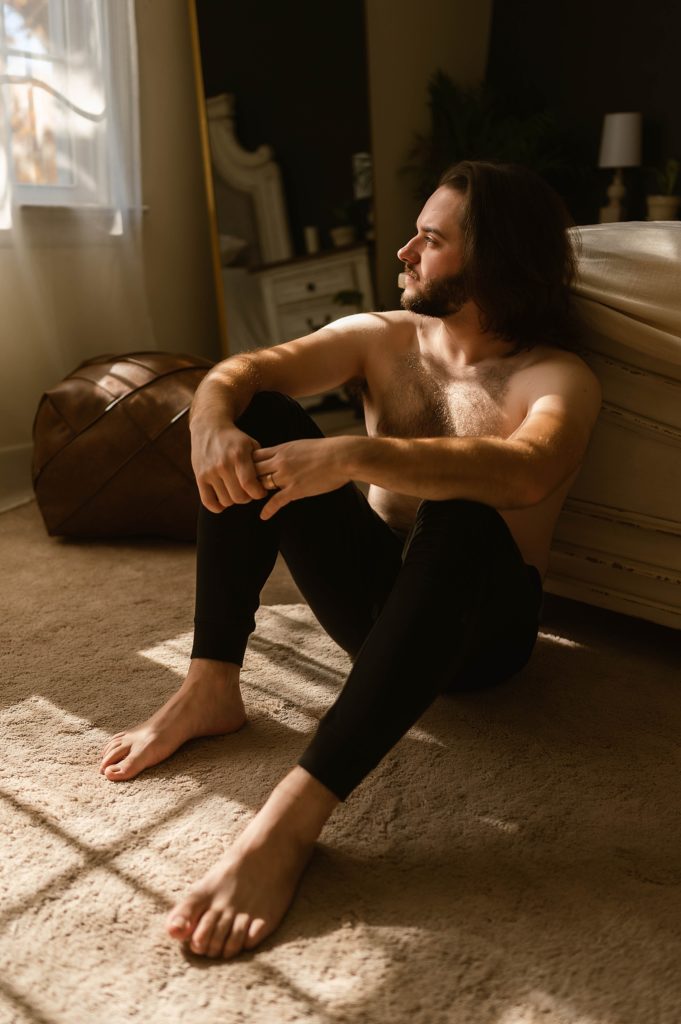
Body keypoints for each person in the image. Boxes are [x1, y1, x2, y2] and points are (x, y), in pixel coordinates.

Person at [99, 160, 602, 959]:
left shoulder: (557, 377)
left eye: (429, 240)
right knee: (257, 415)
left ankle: (291, 819)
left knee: (463, 513)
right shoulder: (383, 339)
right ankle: (209, 684)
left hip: (482, 640)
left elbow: (526, 470)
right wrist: (211, 424)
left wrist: (351, 457)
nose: (403, 250)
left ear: (494, 262)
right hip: (375, 612)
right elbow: (241, 373)